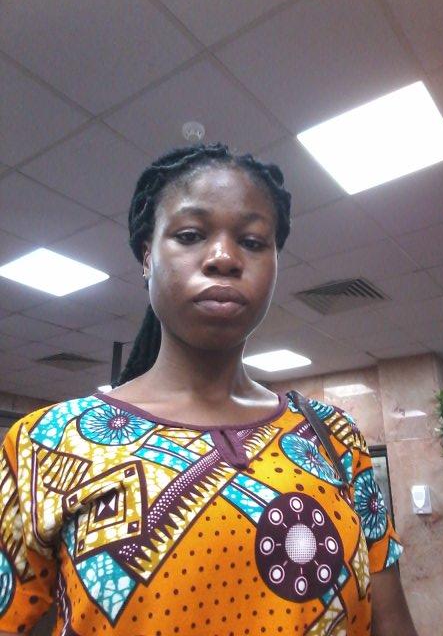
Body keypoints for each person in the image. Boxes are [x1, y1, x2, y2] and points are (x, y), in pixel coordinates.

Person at [0, 143, 418, 636]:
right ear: (147, 256)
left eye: (253, 241)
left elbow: (391, 621)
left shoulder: (335, 438)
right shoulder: (45, 443)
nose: (224, 258)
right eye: (190, 235)